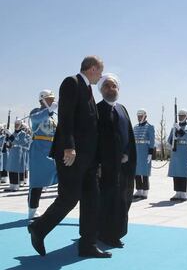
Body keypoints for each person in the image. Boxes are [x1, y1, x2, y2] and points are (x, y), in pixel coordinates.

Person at [27, 56, 110, 258]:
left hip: (88, 157)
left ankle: (87, 244)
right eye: (99, 72)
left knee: (92, 199)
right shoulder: (71, 82)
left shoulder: (88, 90)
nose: (100, 76)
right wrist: (68, 147)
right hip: (72, 155)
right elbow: (66, 116)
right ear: (91, 69)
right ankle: (39, 228)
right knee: (69, 198)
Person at [96, 74, 136, 248]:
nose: (111, 89)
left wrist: (127, 153)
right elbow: (96, 139)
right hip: (106, 165)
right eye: (107, 86)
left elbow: (128, 133)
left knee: (124, 199)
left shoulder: (122, 109)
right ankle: (107, 234)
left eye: (113, 86)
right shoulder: (96, 109)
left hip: (124, 165)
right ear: (101, 90)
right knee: (108, 200)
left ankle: (117, 231)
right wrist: (98, 163)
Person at [27, 89, 58, 219]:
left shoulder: (52, 116)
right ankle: (32, 209)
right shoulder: (36, 112)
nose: (52, 101)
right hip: (39, 151)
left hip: (52, 150)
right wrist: (49, 110)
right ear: (42, 100)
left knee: (61, 177)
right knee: (37, 181)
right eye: (49, 98)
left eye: (52, 99)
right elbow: (37, 118)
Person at [167, 109, 187, 201]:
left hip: (184, 151)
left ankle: (184, 193)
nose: (180, 117)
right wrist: (173, 139)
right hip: (176, 152)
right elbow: (169, 140)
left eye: (182, 116)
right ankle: (178, 192)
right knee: (176, 172)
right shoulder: (174, 128)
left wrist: (179, 129)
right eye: (179, 116)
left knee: (183, 172)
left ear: (186, 117)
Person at [133, 109, 155, 200]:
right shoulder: (135, 127)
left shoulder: (149, 127)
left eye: (141, 116)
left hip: (145, 152)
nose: (139, 118)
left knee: (145, 172)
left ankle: (145, 191)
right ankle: (138, 189)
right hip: (136, 151)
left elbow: (152, 141)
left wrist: (150, 153)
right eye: (138, 116)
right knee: (137, 172)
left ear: (145, 116)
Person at [4, 120, 30, 192]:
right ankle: (11, 185)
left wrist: (10, 136)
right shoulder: (13, 133)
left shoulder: (23, 134)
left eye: (18, 124)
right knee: (11, 169)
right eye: (15, 124)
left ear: (21, 125)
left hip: (18, 152)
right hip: (12, 152)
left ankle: (15, 186)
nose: (16, 125)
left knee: (15, 169)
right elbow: (10, 143)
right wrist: (7, 141)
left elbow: (19, 142)